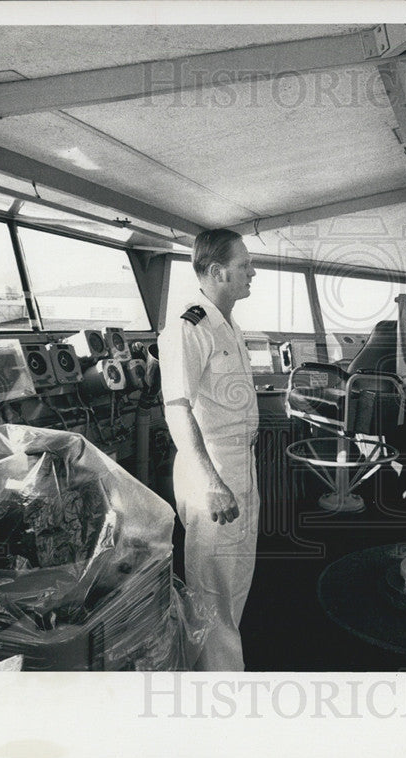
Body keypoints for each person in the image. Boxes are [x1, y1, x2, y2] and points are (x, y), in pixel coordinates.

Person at [158, 228, 259, 671]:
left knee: (233, 583)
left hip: (240, 463)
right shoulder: (189, 325)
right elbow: (177, 409)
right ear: (217, 272)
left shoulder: (226, 323)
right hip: (213, 469)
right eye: (244, 266)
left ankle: (217, 674)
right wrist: (213, 482)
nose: (252, 273)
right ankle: (218, 694)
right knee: (211, 589)